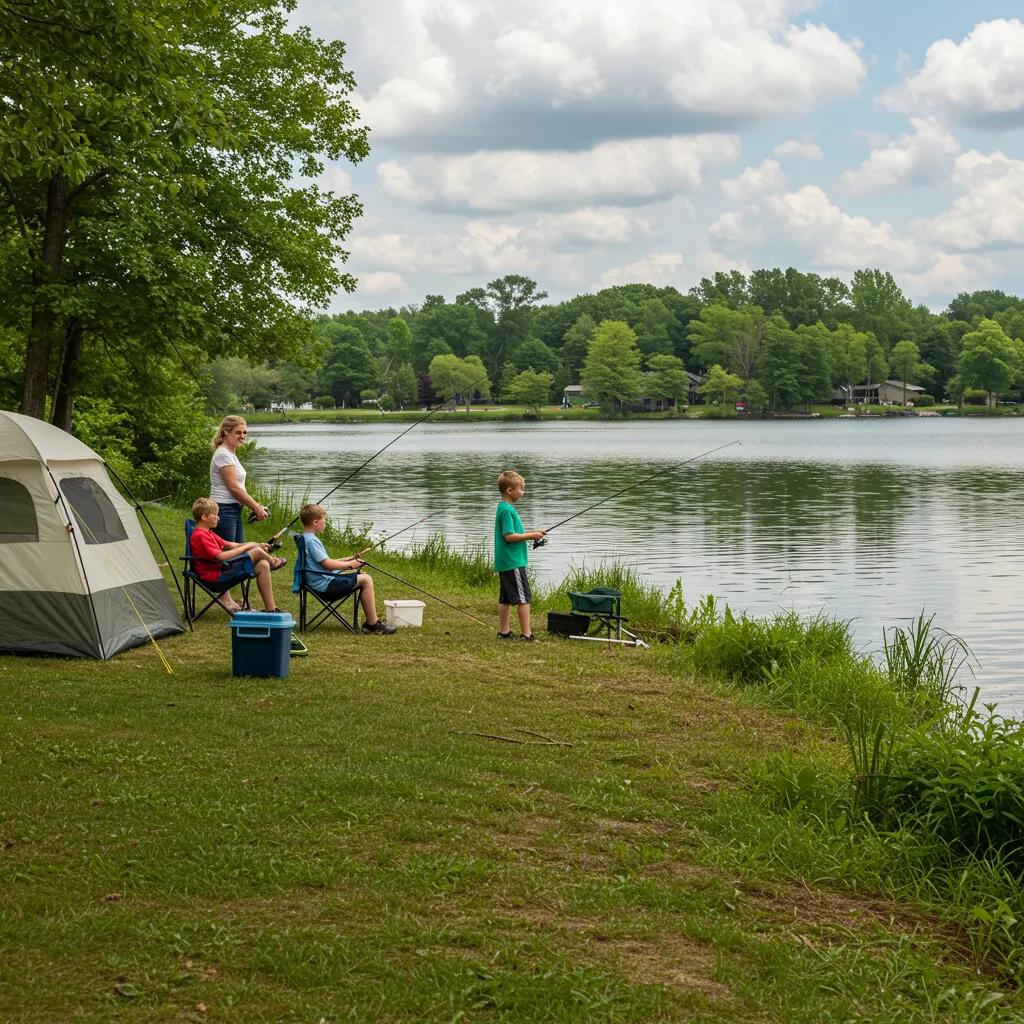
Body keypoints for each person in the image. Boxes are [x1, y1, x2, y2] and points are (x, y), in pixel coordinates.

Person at [294, 504, 397, 634]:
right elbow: (327, 565)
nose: (325, 524)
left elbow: (324, 562)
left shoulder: (305, 538)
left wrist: (348, 559)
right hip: (324, 586)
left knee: (362, 576)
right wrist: (350, 565)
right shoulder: (312, 541)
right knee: (366, 579)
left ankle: (372, 622)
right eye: (323, 521)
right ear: (315, 522)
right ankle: (372, 624)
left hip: (316, 581)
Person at [190, 497, 287, 614]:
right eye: (214, 515)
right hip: (214, 578)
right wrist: (247, 547)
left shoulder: (208, 532)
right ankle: (273, 561)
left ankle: (271, 610)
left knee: (262, 564)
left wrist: (255, 544)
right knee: (256, 552)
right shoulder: (201, 535)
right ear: (204, 517)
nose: (218, 517)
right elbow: (220, 556)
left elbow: (230, 545)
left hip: (219, 571)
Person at [494, 469, 546, 641]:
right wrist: (531, 536)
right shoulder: (507, 510)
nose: (522, 492)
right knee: (524, 598)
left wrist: (535, 532)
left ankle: (504, 631)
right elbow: (509, 537)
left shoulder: (503, 508)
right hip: (513, 562)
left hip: (505, 561)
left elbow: (514, 534)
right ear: (510, 490)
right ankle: (526, 634)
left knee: (506, 598)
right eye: (521, 489)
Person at [209, 415, 268, 544]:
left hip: (233, 508)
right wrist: (255, 507)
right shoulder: (223, 454)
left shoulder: (230, 453)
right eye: (238, 432)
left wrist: (256, 506)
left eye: (244, 432)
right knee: (230, 555)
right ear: (225, 432)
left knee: (238, 554)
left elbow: (238, 487)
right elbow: (234, 488)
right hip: (223, 509)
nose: (242, 436)